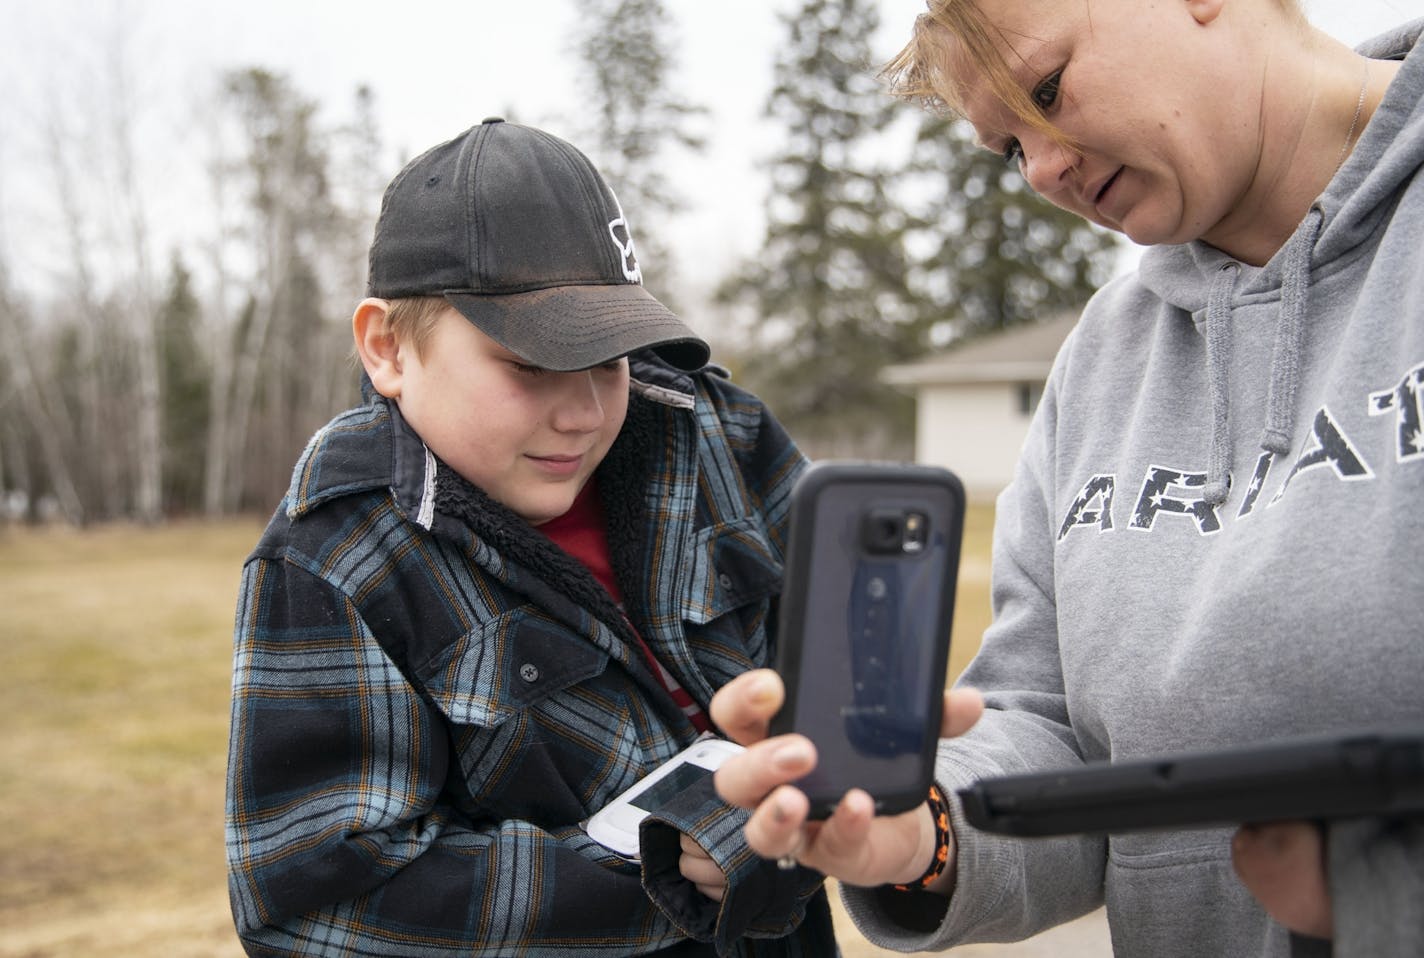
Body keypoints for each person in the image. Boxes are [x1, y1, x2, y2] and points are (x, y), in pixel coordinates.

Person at [711, 3, 1424, 957]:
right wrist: (920, 834)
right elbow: (1054, 733)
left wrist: (1374, 897)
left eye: (1047, 91)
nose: (1044, 172)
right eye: (1008, 148)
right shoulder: (1104, 359)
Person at [224, 118, 836, 957]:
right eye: (532, 365)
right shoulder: (333, 558)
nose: (585, 412)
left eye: (614, 356)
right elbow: (315, 908)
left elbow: (845, 673)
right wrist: (671, 862)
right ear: (388, 348)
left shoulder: (716, 436)